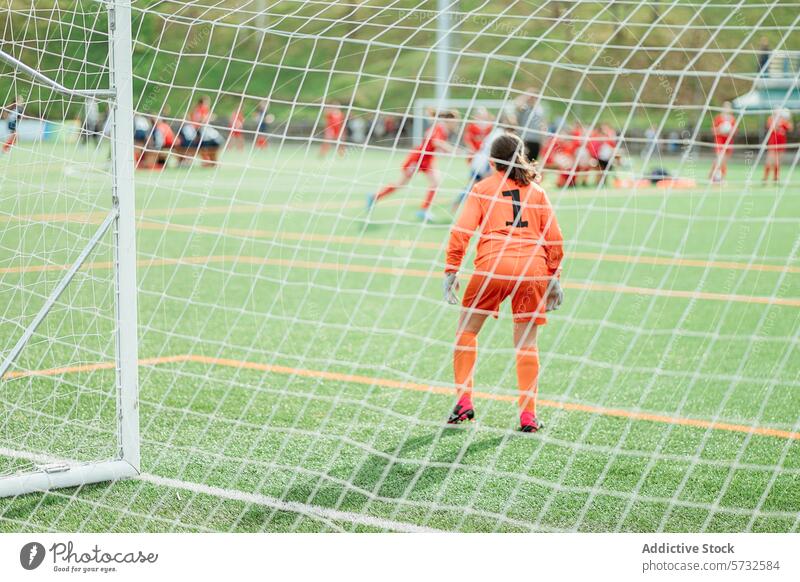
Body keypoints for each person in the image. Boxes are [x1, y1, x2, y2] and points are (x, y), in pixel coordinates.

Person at [443, 133, 564, 432]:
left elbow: (461, 231)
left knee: (467, 331)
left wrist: (451, 270)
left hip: (492, 268)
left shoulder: (482, 188)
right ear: (521, 156)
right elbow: (554, 239)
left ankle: (464, 402)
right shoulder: (537, 191)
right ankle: (528, 416)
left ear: (492, 160)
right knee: (527, 344)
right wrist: (554, 278)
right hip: (531, 270)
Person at [367, 110, 460, 222]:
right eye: (455, 122)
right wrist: (452, 150)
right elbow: (436, 142)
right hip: (418, 158)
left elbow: (434, 144)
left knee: (435, 182)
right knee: (401, 184)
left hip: (428, 160)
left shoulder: (443, 129)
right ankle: (374, 196)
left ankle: (424, 210)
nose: (456, 124)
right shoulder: (439, 127)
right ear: (448, 120)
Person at [516, 88, 546, 162]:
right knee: (522, 161)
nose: (534, 99)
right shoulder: (524, 107)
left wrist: (543, 140)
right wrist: (526, 95)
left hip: (536, 141)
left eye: (536, 97)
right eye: (532, 97)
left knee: (532, 163)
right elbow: (517, 103)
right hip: (525, 139)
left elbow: (543, 124)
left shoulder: (540, 109)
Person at [764, 109, 793, 184]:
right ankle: (765, 178)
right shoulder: (771, 119)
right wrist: (777, 121)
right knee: (769, 161)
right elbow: (772, 127)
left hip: (781, 144)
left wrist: (789, 118)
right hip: (773, 144)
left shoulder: (783, 121)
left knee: (778, 162)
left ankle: (776, 178)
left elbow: (790, 128)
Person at [710, 102, 736, 183]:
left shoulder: (732, 119)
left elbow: (735, 131)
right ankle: (715, 177)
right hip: (719, 140)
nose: (727, 109)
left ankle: (719, 176)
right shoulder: (718, 118)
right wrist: (720, 129)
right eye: (725, 107)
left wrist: (730, 131)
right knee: (720, 158)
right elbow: (713, 130)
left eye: (728, 107)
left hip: (728, 142)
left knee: (723, 160)